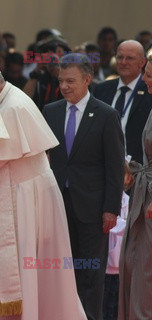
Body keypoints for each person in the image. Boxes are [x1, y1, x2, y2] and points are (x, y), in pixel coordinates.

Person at [0, 62, 86, 319]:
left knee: (29, 264)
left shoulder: (12, 107)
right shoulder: (9, 101)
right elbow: (1, 150)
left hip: (27, 196)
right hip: (23, 191)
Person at [43, 53, 124, 320]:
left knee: (89, 272)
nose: (64, 86)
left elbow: (114, 168)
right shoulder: (51, 111)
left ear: (87, 80)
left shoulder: (106, 115)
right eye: (61, 81)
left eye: (70, 81)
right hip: (56, 204)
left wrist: (110, 209)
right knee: (59, 269)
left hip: (92, 209)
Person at [118, 52, 152, 320]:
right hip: (142, 191)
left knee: (145, 272)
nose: (145, 81)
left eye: (150, 76)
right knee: (132, 264)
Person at [94, 40, 152, 163]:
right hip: (102, 166)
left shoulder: (149, 90)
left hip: (137, 169)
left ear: (142, 62)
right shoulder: (101, 89)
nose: (123, 62)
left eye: (129, 58)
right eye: (120, 57)